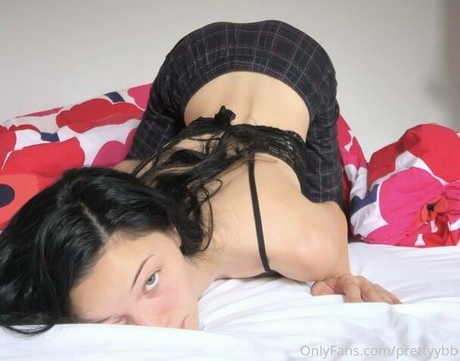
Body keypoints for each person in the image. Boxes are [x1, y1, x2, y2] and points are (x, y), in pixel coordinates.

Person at [0, 20, 399, 333]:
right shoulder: (122, 193)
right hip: (195, 56)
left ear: (172, 230)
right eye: (116, 323)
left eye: (151, 281)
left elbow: (332, 218)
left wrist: (340, 274)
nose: (156, 328)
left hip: (295, 61)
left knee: (329, 194)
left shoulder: (286, 239)